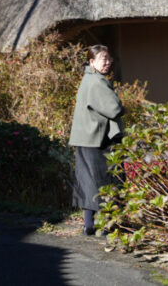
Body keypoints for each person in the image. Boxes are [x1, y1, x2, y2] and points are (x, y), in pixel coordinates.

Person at [68, 44, 124, 236]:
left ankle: (89, 224)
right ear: (92, 62)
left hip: (85, 138)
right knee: (106, 181)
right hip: (99, 140)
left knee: (88, 182)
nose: (107, 62)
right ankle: (107, 226)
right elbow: (114, 108)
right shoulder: (98, 82)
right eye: (103, 59)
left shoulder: (87, 79)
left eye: (109, 59)